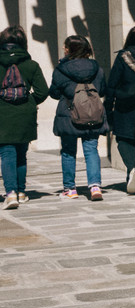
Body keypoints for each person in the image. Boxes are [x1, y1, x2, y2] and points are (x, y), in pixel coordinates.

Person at [49, 35, 110, 200]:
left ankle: (70, 189)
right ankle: (95, 186)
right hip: (92, 113)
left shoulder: (61, 69)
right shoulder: (97, 68)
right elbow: (102, 90)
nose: (63, 49)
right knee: (91, 149)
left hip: (68, 113)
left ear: (70, 50)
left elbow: (54, 93)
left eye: (65, 47)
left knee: (68, 151)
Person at [0, 26, 49, 208]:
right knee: (21, 155)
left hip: (2, 114)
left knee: (7, 154)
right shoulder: (32, 65)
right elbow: (43, 91)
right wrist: (29, 101)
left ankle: (10, 193)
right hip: (25, 114)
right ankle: (21, 192)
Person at [106, 26, 135, 195]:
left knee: (124, 141)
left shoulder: (123, 56)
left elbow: (112, 84)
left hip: (126, 107)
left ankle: (133, 169)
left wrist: (108, 108)